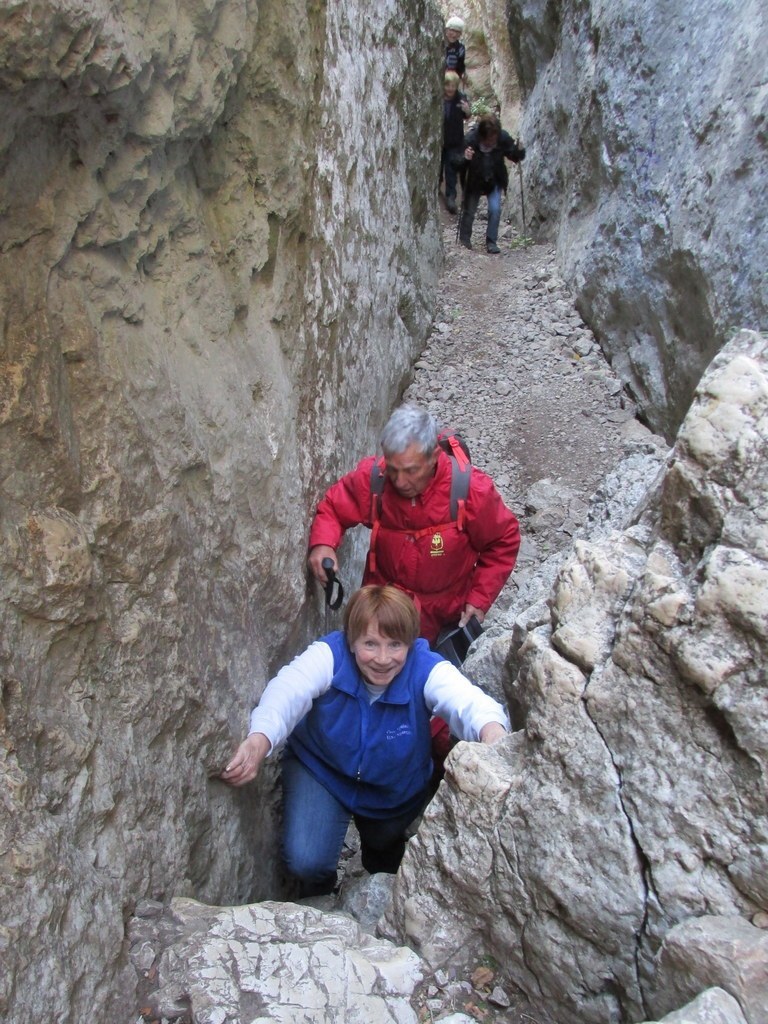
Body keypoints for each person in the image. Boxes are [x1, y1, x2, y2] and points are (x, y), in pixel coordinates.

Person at [222, 585, 509, 896]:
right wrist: (259, 740)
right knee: (306, 860)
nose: (383, 659)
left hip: (393, 787)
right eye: (370, 644)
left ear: (411, 644)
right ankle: (320, 895)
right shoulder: (330, 656)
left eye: (395, 644)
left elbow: (467, 702)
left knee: (385, 856)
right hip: (322, 771)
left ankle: (374, 876)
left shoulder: (425, 668)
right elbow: (288, 690)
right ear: (351, 639)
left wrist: (492, 733)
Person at [308, 405, 520, 645]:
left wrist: (478, 600)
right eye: (393, 469)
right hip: (384, 608)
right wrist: (323, 544)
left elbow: (503, 540)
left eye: (410, 471)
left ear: (434, 457)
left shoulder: (471, 491)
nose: (399, 481)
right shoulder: (376, 480)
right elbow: (334, 507)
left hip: (444, 616)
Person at [455, 113, 526, 254]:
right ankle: (464, 240)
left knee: (495, 210)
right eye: (489, 139)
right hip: (474, 180)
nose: (493, 141)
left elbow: (515, 156)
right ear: (482, 135)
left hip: (495, 179)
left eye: (494, 138)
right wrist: (465, 158)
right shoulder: (470, 140)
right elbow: (456, 163)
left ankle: (491, 242)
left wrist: (519, 150)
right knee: (469, 211)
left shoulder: (502, 138)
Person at [442, 71, 470, 214]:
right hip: (440, 140)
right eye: (448, 85)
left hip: (454, 140)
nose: (450, 89)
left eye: (453, 85)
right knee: (439, 167)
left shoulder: (460, 98)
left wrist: (467, 110)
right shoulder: (439, 98)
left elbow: (467, 114)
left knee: (451, 169)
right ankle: (437, 187)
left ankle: (451, 197)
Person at [444, 15, 466, 80]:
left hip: (452, 81)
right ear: (446, 30)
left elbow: (461, 67)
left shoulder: (460, 49)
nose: (454, 34)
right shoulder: (438, 45)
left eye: (458, 32)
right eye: (452, 30)